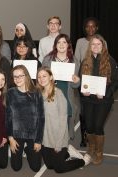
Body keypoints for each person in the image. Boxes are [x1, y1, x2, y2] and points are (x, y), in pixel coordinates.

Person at [36, 67, 91, 173]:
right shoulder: (39, 94)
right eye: (39, 77)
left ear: (51, 77)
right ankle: (68, 152)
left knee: (59, 168)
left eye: (44, 76)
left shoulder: (58, 94)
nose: (41, 79)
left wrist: (59, 143)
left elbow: (62, 121)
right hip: (45, 138)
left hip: (58, 137)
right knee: (50, 165)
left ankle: (83, 161)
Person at [80, 34, 118, 165]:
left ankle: (99, 152)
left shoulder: (110, 61)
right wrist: (83, 90)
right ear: (90, 47)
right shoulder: (85, 61)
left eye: (98, 44)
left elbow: (115, 82)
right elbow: (82, 80)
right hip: (88, 100)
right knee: (89, 126)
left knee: (98, 126)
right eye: (93, 44)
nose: (95, 46)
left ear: (103, 46)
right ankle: (91, 148)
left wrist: (106, 93)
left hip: (104, 100)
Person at [6, 65, 44, 172]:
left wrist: (38, 140)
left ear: (26, 76)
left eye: (20, 76)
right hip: (17, 133)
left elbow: (41, 118)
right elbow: (8, 118)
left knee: (36, 167)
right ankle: (20, 148)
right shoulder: (10, 93)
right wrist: (11, 139)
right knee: (16, 167)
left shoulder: (36, 92)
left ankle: (27, 149)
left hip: (33, 134)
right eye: (15, 77)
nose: (17, 79)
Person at [42, 34, 81, 140]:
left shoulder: (74, 61)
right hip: (51, 96)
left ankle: (62, 151)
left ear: (68, 45)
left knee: (65, 130)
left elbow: (75, 85)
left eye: (64, 42)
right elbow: (41, 78)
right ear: (55, 45)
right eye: (59, 42)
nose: (61, 45)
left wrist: (77, 81)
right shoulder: (48, 59)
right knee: (50, 128)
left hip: (67, 98)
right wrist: (48, 80)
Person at [74, 17, 102, 147]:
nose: (90, 29)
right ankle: (84, 137)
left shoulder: (102, 41)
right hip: (84, 81)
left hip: (97, 82)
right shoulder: (80, 42)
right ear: (84, 28)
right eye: (87, 26)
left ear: (96, 28)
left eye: (93, 26)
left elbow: (104, 62)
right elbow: (77, 62)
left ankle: (95, 136)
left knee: (96, 111)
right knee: (84, 111)